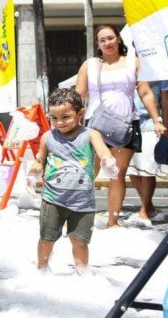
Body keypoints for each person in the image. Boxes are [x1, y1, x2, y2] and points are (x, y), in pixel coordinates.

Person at [75, 24, 166, 228]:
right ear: (97, 44)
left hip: (125, 125)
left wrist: (157, 120)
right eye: (102, 40)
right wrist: (69, 123)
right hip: (94, 125)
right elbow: (78, 96)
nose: (107, 43)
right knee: (86, 172)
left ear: (119, 39)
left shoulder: (133, 62)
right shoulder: (89, 65)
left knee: (117, 174)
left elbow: (145, 93)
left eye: (110, 38)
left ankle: (112, 221)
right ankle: (74, 217)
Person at [29, 88, 117, 274]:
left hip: (83, 201)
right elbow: (39, 162)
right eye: (53, 117)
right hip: (53, 199)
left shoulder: (90, 134)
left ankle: (83, 274)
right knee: (47, 238)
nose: (59, 122)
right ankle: (41, 269)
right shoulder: (48, 137)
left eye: (66, 117)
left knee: (80, 241)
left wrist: (108, 162)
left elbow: (103, 151)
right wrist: (32, 175)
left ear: (81, 113)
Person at [126, 80, 168, 227]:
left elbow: (167, 102)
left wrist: (166, 128)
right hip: (126, 126)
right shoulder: (129, 67)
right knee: (132, 171)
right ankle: (149, 208)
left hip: (150, 125)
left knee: (148, 170)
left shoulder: (162, 73)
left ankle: (144, 211)